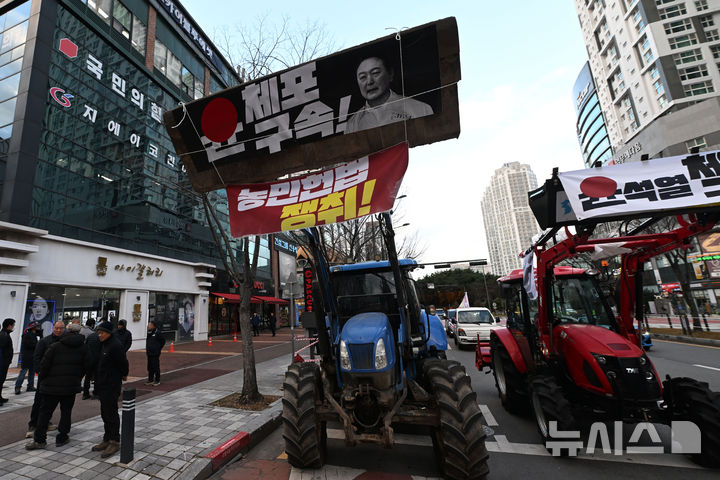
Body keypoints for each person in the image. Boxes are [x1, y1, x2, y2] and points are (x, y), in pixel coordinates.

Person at [25, 323, 91, 450]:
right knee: (66, 412)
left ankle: (40, 440)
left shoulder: (55, 346)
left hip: (51, 386)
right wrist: (77, 377)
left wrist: (44, 378)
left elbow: (44, 365)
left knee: (45, 412)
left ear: (66, 331)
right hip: (70, 386)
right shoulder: (83, 348)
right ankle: (62, 436)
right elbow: (88, 366)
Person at [345, 55, 433, 134]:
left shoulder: (420, 109)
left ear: (390, 74)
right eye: (363, 77)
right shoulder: (352, 124)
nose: (369, 82)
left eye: (375, 73)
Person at [91, 320, 128, 458]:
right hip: (102, 383)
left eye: (101, 332)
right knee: (104, 412)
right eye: (98, 332)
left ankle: (114, 440)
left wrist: (123, 375)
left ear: (108, 333)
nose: (99, 335)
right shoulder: (103, 344)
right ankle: (107, 438)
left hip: (111, 384)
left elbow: (123, 363)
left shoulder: (115, 345)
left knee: (111, 413)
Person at [26, 320, 64, 437]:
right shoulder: (44, 341)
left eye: (61, 328)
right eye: (56, 328)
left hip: (57, 377)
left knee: (50, 402)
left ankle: (45, 422)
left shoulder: (64, 341)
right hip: (45, 376)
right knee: (39, 400)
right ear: (53, 328)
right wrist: (40, 372)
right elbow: (36, 357)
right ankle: (33, 425)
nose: (58, 330)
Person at [14, 321, 41, 395]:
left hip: (33, 356)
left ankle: (30, 386)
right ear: (33, 327)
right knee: (23, 372)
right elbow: (29, 345)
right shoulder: (27, 335)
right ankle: (18, 386)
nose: (38, 328)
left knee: (32, 372)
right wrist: (37, 344)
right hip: (27, 356)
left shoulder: (34, 334)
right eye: (37, 326)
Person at [83, 318, 101, 400]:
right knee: (97, 376)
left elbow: (86, 346)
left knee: (88, 376)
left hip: (88, 358)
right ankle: (96, 393)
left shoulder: (90, 336)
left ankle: (85, 393)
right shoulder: (100, 337)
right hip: (97, 359)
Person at [0, 318, 16, 404]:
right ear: (9, 326)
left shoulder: (5, 334)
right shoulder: (4, 335)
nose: (13, 327)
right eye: (13, 325)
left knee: (2, 380)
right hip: (2, 362)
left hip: (5, 362)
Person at [145, 320, 165, 386]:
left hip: (155, 353)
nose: (148, 326)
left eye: (150, 325)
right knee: (150, 367)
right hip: (149, 353)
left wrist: (158, 348)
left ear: (153, 326)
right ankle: (150, 379)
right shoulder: (148, 332)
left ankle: (157, 380)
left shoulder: (158, 333)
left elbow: (163, 341)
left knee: (155, 366)